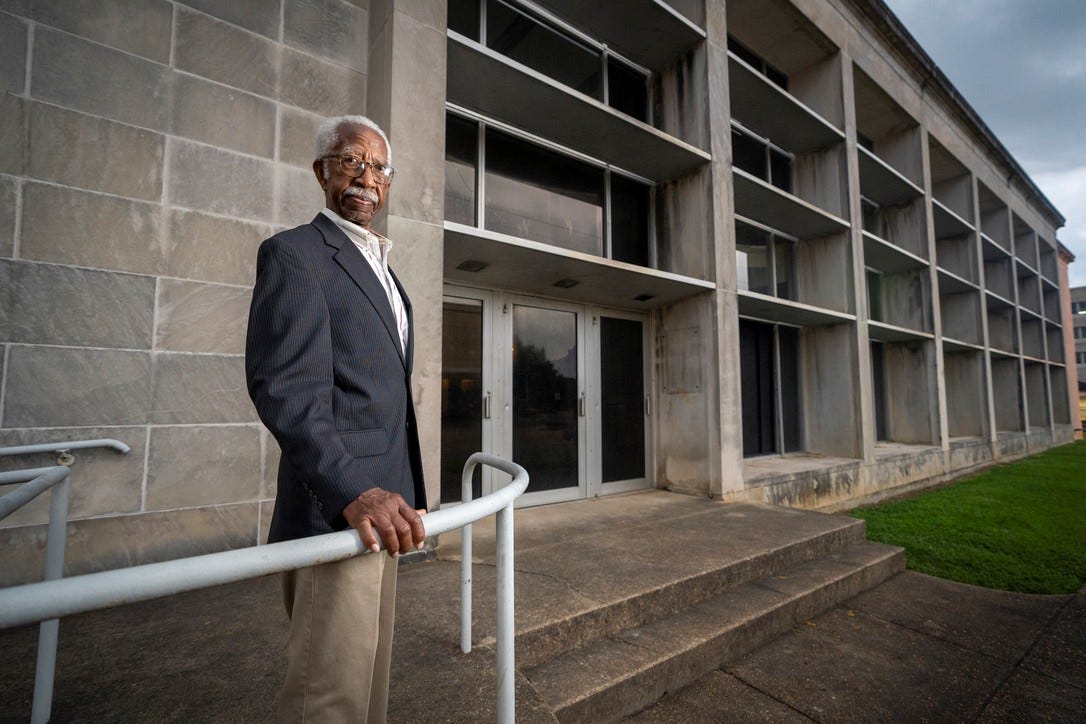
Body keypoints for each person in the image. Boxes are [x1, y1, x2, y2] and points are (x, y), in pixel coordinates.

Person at [245, 114, 428, 723]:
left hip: (387, 511)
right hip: (340, 510)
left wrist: (403, 494)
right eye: (351, 161)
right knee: (327, 698)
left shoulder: (387, 273)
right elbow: (287, 392)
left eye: (379, 167)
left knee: (369, 685)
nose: (366, 178)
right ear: (322, 170)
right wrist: (355, 491)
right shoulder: (295, 255)